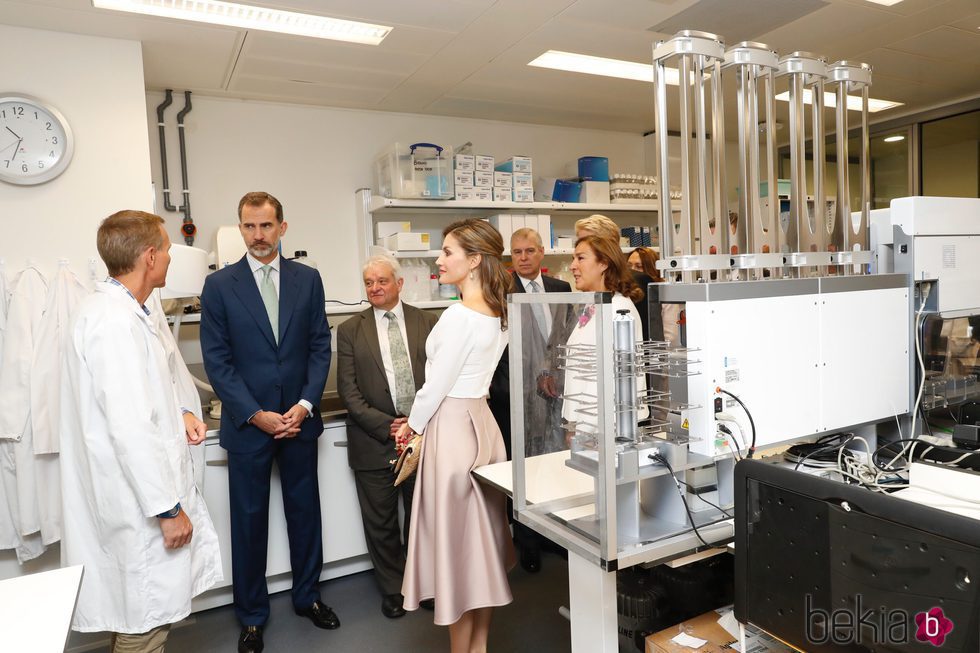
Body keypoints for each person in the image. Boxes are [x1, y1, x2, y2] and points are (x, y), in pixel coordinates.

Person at [60, 210, 221, 651]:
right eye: (167, 249)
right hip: (139, 506)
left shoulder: (128, 311)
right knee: (144, 626)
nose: (170, 258)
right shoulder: (113, 323)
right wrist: (168, 510)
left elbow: (158, 384)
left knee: (142, 617)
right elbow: (130, 428)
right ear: (150, 257)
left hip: (134, 497)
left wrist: (183, 412)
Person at [200, 192, 334, 653]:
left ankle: (307, 597)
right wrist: (255, 414)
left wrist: (305, 404)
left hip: (299, 421)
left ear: (283, 227)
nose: (258, 236)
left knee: (305, 514)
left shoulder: (308, 280)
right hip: (248, 426)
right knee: (249, 522)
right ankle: (253, 616)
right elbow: (217, 362)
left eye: (266, 226)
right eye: (249, 227)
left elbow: (320, 347)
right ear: (240, 229)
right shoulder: (219, 287)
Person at [398, 219, 515, 653]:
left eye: (447, 252)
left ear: (474, 260)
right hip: (482, 425)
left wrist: (411, 425)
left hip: (450, 430)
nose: (438, 259)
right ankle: (478, 646)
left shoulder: (459, 316)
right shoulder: (499, 312)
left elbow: (436, 386)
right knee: (479, 548)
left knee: (455, 548)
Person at [336, 255, 438, 619]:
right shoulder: (350, 330)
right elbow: (349, 392)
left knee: (422, 517)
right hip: (374, 439)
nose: (375, 288)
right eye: (368, 282)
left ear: (399, 283)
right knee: (380, 521)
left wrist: (416, 423)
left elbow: (439, 379)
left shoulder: (428, 322)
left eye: (382, 281)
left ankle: (422, 584)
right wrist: (389, 426)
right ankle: (394, 588)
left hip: (422, 437)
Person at [488, 227, 570, 573]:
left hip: (555, 397)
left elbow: (564, 338)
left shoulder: (561, 289)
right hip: (515, 398)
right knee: (522, 470)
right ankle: (528, 543)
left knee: (553, 464)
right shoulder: (500, 293)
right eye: (517, 252)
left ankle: (555, 536)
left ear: (541, 254)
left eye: (529, 251)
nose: (523, 257)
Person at [562, 235, 648, 437]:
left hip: (605, 431)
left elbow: (611, 379)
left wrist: (582, 431)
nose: (573, 266)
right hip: (587, 427)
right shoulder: (594, 306)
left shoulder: (618, 310)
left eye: (580, 258)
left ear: (603, 263)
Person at [575, 214, 657, 341]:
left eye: (581, 257)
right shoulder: (593, 298)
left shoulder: (627, 293)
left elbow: (647, 337)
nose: (580, 245)